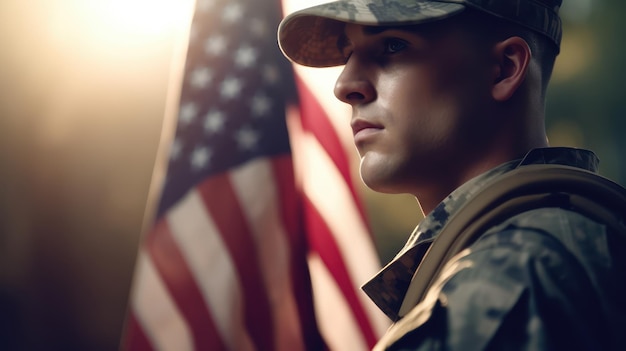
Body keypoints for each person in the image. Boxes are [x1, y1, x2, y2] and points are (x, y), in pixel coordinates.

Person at [278, 0, 626, 350]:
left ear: (504, 69)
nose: (345, 85)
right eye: (350, 52)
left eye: (392, 45)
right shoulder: (558, 245)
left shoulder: (514, 274)